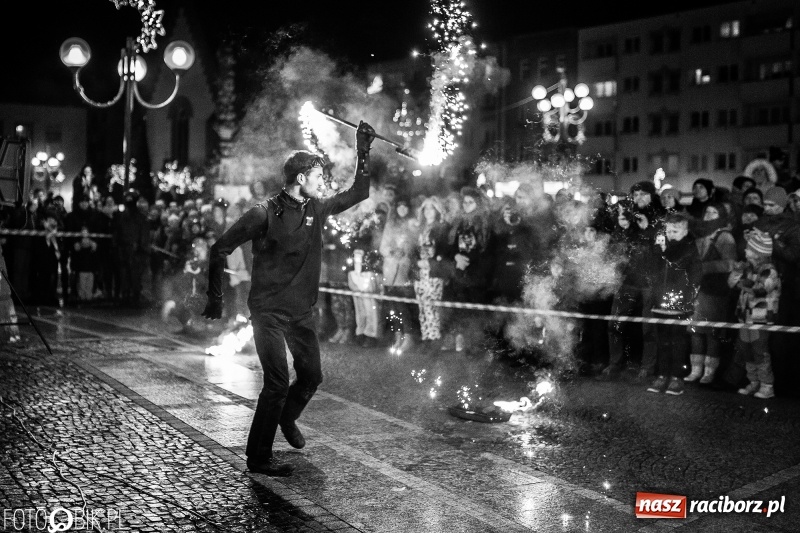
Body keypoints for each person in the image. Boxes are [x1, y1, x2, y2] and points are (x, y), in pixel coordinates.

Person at [202, 122, 375, 477]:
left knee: (311, 377)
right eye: (318, 176)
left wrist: (364, 148)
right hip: (268, 312)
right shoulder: (263, 213)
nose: (322, 182)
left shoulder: (317, 209)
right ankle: (258, 458)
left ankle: (287, 417)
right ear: (300, 178)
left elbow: (359, 192)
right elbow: (219, 249)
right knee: (277, 383)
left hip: (301, 312)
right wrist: (215, 298)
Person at [647, 212, 701, 396]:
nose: (671, 235)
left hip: (679, 302)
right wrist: (656, 252)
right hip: (659, 301)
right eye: (669, 231)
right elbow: (652, 270)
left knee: (678, 341)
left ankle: (677, 377)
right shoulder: (661, 248)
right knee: (662, 341)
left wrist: (688, 298)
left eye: (675, 231)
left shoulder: (689, 249)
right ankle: (662, 375)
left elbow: (693, 273)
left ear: (685, 232)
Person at [729, 231, 780, 399]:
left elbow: (760, 290)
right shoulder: (748, 268)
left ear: (758, 253)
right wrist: (736, 272)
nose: (745, 251)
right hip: (745, 317)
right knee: (746, 350)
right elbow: (731, 284)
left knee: (760, 351)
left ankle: (767, 385)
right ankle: (754, 381)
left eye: (748, 249)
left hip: (761, 318)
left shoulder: (769, 271)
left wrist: (742, 284)